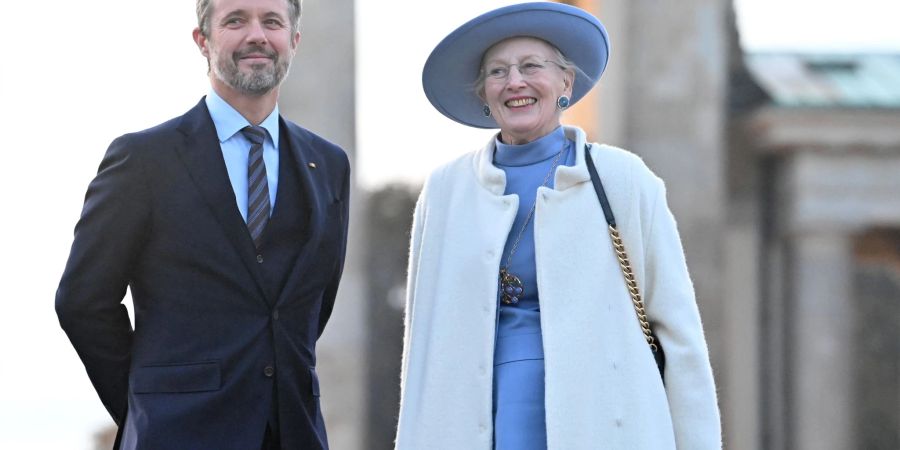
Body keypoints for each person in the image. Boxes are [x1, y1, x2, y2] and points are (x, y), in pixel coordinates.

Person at [396, 3, 720, 449]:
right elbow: (422, 342)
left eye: (531, 67)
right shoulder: (445, 190)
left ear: (566, 82)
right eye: (497, 72)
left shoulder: (623, 179)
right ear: (483, 95)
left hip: (604, 422)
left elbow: (679, 334)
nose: (515, 82)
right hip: (477, 420)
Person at [55, 0, 350, 448]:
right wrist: (148, 403)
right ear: (203, 41)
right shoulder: (143, 159)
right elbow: (82, 302)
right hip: (175, 433)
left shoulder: (328, 164)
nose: (257, 35)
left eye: (272, 22)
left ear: (293, 40)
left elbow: (312, 304)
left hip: (295, 432)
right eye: (235, 20)